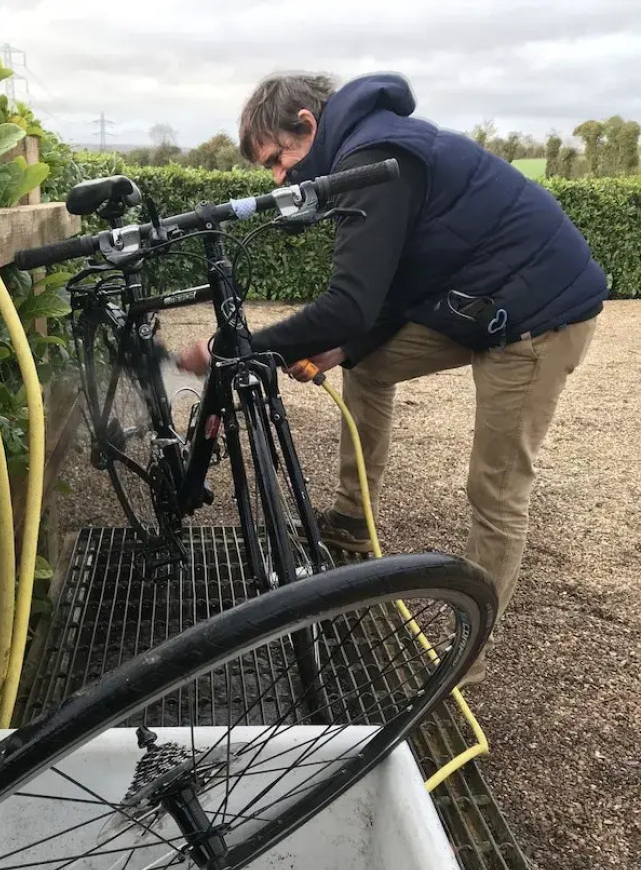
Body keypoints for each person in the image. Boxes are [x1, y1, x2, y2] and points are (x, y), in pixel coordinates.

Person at [177, 71, 606, 685]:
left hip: (538, 317)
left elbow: (348, 304)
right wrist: (344, 349)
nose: (278, 178)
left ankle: (467, 655)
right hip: (479, 299)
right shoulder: (365, 154)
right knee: (368, 364)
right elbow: (386, 292)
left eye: (279, 158)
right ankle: (355, 518)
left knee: (497, 488)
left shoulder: (378, 157)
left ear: (308, 124)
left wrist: (229, 348)